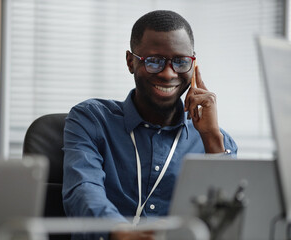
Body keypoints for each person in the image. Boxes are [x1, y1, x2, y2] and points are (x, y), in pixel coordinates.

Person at [62, 10, 237, 240]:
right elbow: (83, 189)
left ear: (193, 65)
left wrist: (212, 139)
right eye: (154, 61)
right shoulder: (91, 119)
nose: (168, 73)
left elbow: (229, 225)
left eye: (180, 61)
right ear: (130, 61)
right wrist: (120, 233)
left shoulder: (216, 140)